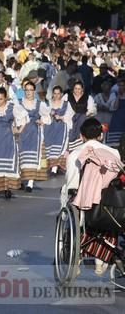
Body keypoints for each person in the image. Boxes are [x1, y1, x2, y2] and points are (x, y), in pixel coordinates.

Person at [61, 117, 123, 276]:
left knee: (70, 199)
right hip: (111, 207)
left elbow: (72, 183)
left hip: (87, 206)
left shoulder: (76, 154)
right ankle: (101, 261)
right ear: (101, 136)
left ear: (81, 136)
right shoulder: (113, 152)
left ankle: (76, 256)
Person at [17, 80, 50, 192]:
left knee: (33, 157)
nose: (29, 92)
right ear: (24, 91)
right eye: (27, 90)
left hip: (34, 132)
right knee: (21, 156)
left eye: (31, 90)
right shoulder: (19, 103)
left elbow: (47, 117)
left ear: (34, 91)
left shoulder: (39, 104)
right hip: (22, 131)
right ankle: (21, 180)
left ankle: (30, 182)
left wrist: (42, 120)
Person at [43, 85, 73, 174]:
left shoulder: (66, 104)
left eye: (58, 93)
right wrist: (49, 113)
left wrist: (60, 117)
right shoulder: (48, 103)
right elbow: (42, 113)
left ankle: (54, 168)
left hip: (61, 128)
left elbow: (69, 115)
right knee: (50, 147)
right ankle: (51, 166)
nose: (56, 95)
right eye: (55, 93)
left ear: (61, 94)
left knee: (58, 147)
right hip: (49, 128)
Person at [65, 81, 97, 154]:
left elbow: (91, 110)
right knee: (69, 136)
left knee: (82, 136)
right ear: (73, 89)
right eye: (75, 88)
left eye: (79, 89)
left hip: (82, 121)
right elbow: (63, 107)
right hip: (69, 120)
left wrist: (84, 115)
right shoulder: (67, 96)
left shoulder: (88, 97)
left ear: (82, 89)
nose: (77, 90)